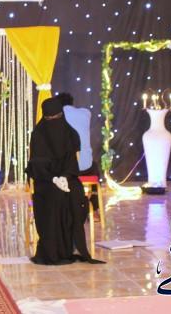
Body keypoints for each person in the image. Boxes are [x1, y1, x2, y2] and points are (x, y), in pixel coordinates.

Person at [26, 97, 103, 265]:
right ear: (45, 117)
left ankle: (70, 244)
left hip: (67, 177)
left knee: (76, 195)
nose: (54, 122)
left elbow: (73, 163)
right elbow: (36, 166)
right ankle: (53, 249)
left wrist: (65, 177)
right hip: (45, 180)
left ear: (62, 115)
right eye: (50, 118)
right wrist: (53, 178)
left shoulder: (70, 134)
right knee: (55, 197)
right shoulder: (38, 135)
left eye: (57, 117)